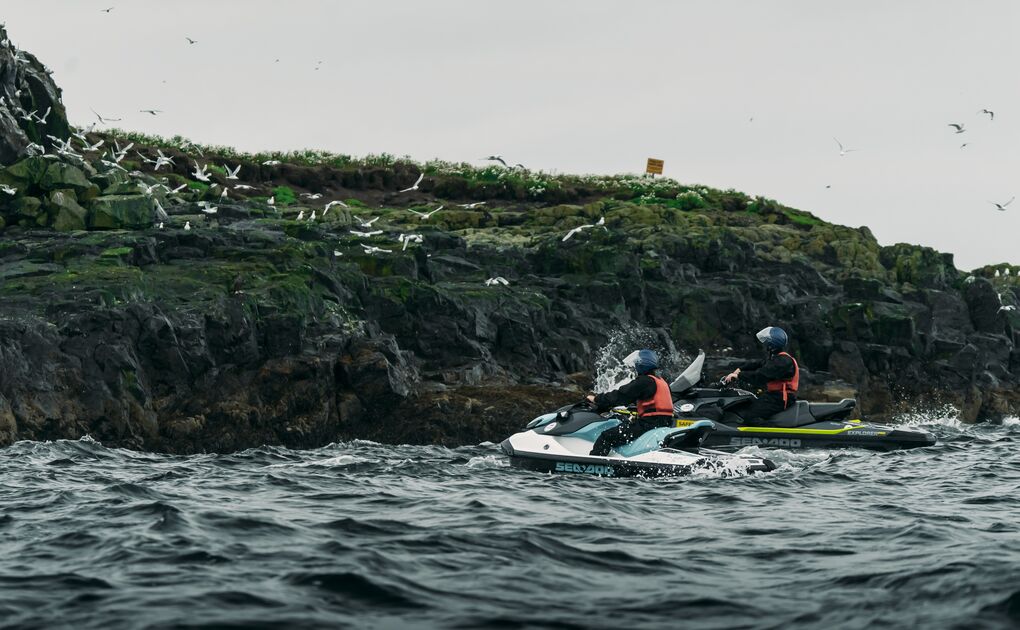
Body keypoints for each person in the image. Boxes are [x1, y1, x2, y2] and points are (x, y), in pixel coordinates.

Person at [588, 349, 675, 456]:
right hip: (664, 423)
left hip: (648, 424)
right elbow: (649, 402)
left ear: (641, 365)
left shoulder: (644, 381)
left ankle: (594, 466)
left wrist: (597, 399)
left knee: (606, 436)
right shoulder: (661, 382)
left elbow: (620, 395)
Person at [721, 326, 799, 425]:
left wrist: (739, 376)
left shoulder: (782, 361)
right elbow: (758, 364)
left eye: (767, 342)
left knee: (751, 416)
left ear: (772, 344)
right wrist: (740, 369)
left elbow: (760, 377)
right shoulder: (777, 359)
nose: (765, 344)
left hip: (780, 398)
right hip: (775, 396)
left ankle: (771, 437)